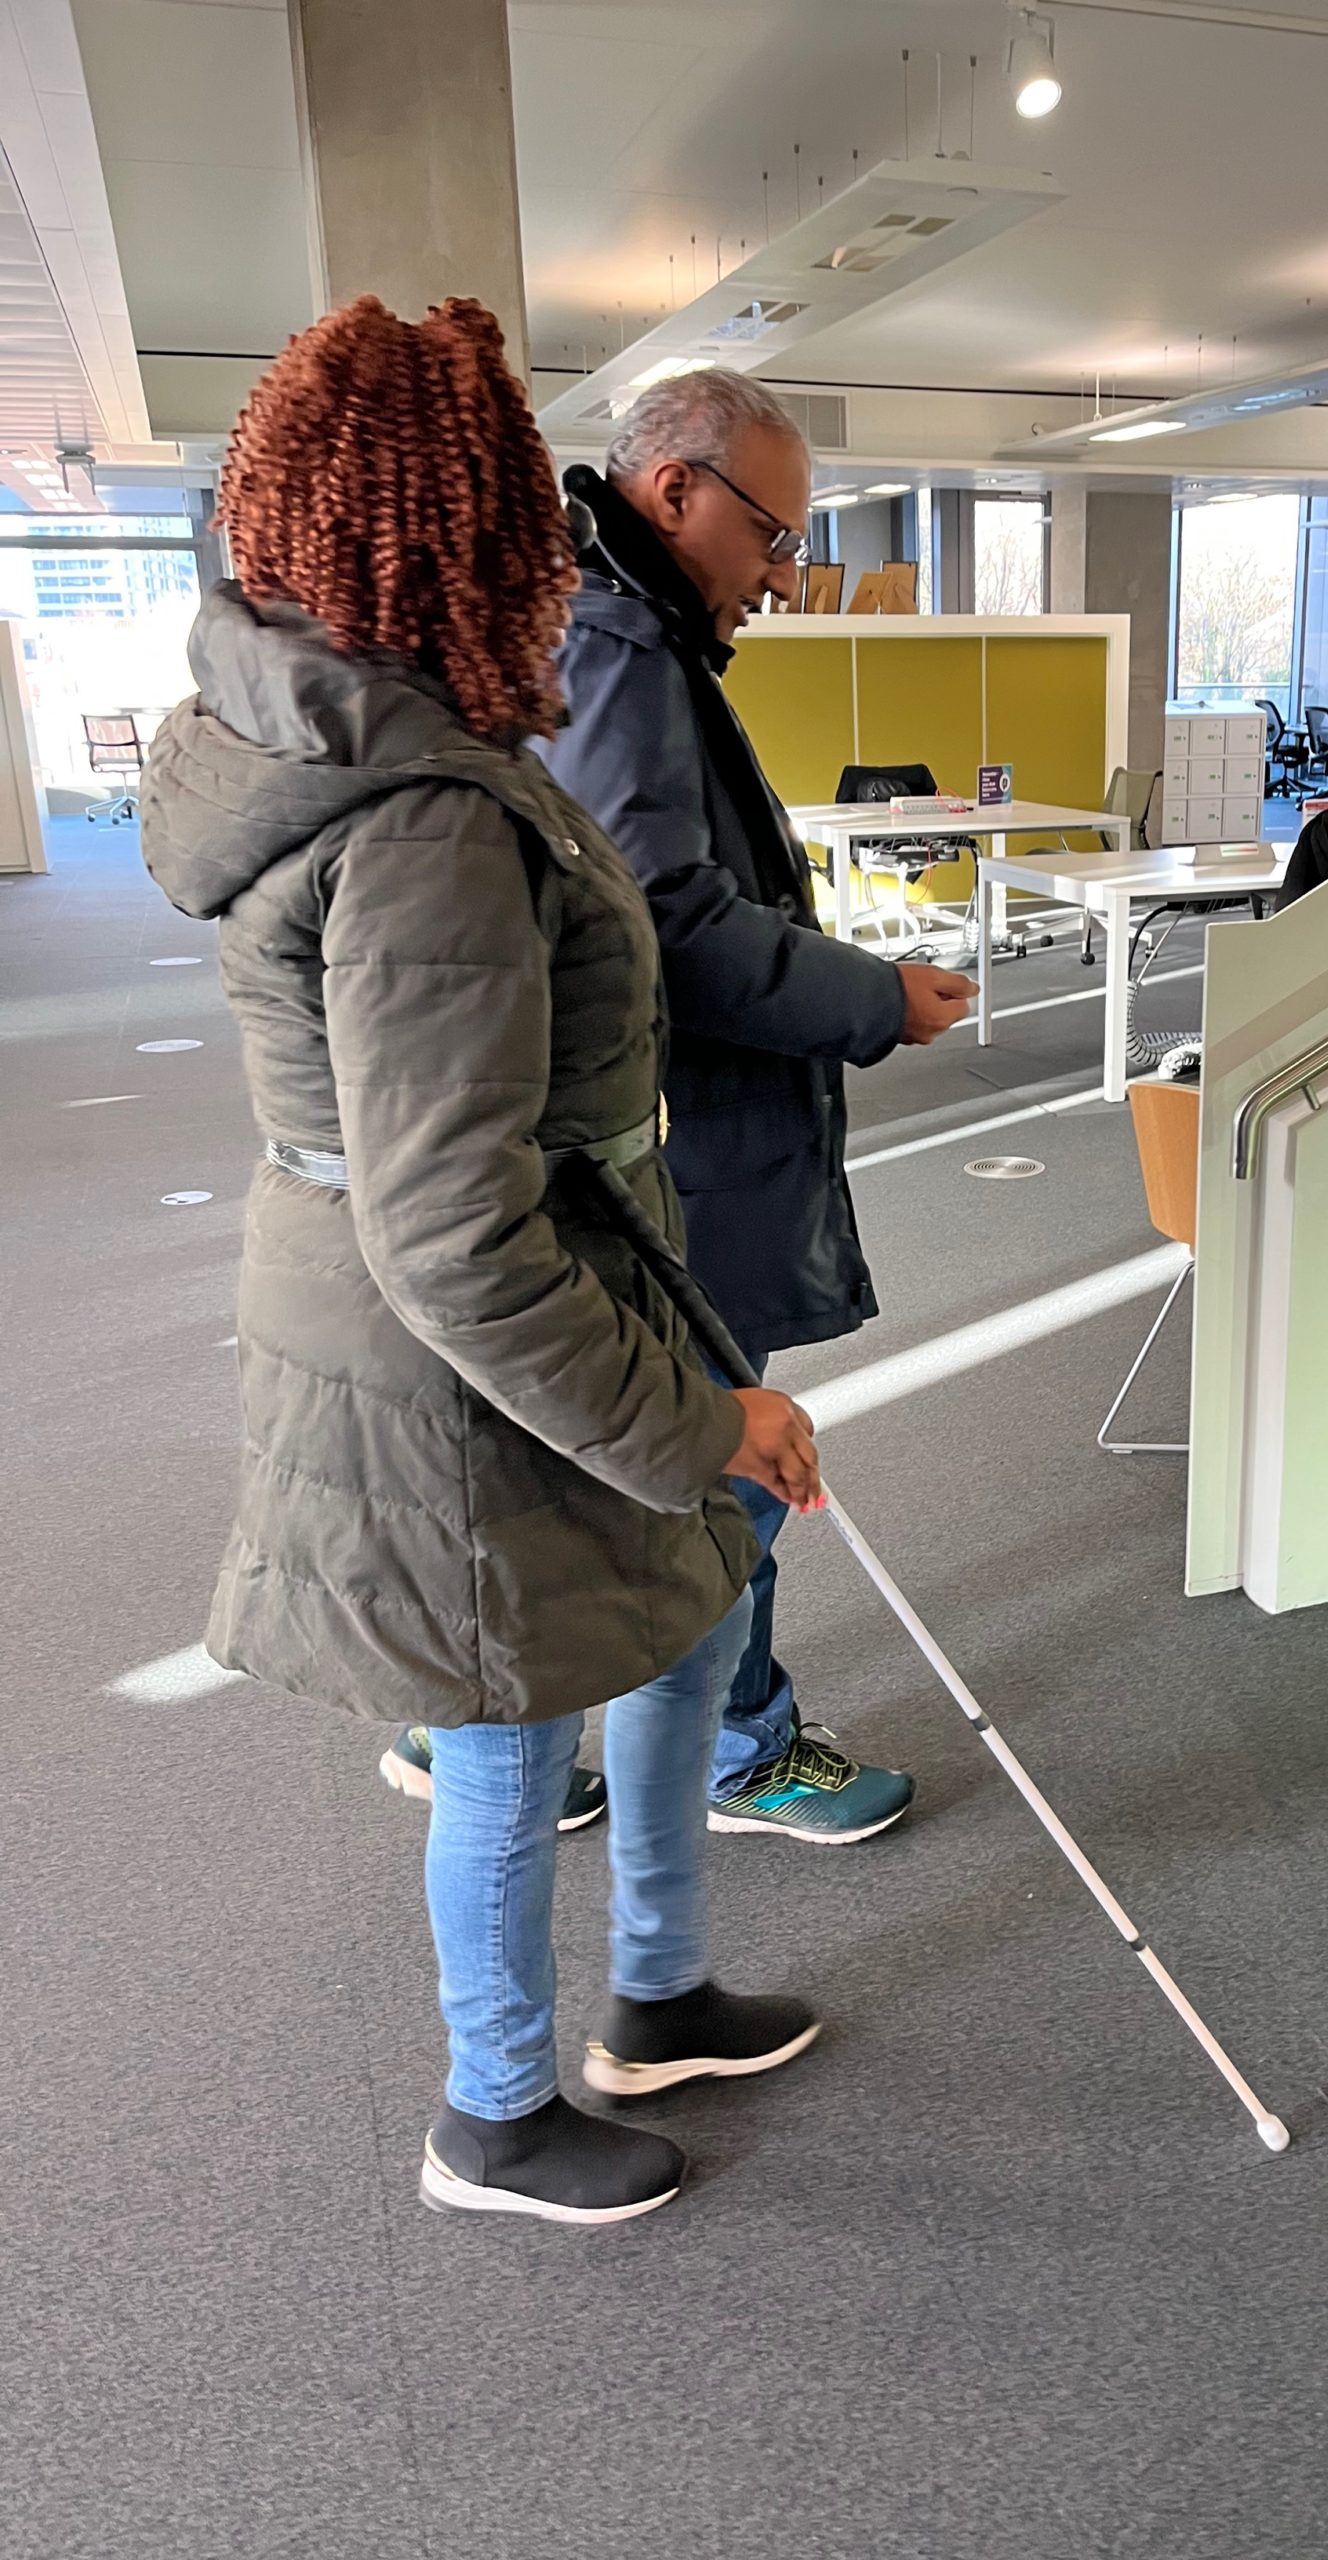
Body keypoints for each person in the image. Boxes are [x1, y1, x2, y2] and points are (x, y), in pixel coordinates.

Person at [141, 296, 826, 2228]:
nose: (560, 553)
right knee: (509, 1720)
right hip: (455, 1350)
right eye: (528, 514)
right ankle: (496, 2113)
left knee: (687, 1614)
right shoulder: (424, 815)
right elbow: (451, 1230)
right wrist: (689, 1416)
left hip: (516, 1286)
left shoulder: (384, 742)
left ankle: (664, 1991)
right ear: (453, 534)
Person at [381, 366, 976, 1846]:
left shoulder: (596, 632)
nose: (782, 576)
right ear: (674, 493)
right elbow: (665, 922)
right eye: (773, 537)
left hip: (612, 1139)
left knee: (643, 1456)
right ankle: (739, 1749)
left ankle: (488, 1734)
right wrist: (867, 999)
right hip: (667, 1148)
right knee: (729, 1460)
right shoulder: (618, 641)